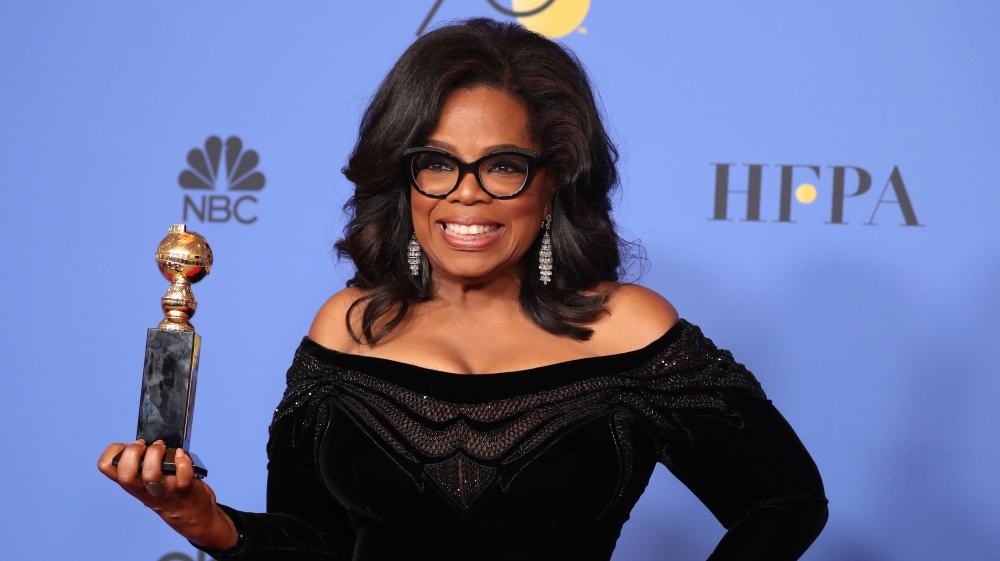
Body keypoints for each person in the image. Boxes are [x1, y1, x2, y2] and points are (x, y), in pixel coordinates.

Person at [99, 18, 828, 560]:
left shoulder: (628, 330)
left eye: (503, 165)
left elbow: (786, 502)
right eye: (438, 163)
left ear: (552, 183)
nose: (466, 196)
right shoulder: (346, 329)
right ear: (403, 178)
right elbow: (311, 546)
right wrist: (208, 523)